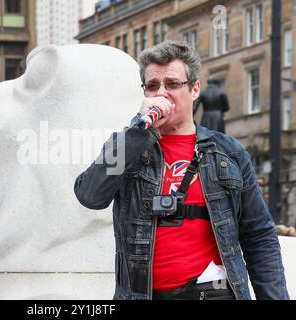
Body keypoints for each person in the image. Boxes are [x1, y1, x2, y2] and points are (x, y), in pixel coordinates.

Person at [74, 40, 289, 300]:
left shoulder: (228, 151)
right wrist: (138, 134)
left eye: (173, 84)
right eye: (153, 86)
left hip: (212, 293)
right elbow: (89, 195)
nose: (162, 93)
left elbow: (259, 237)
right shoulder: (127, 146)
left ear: (195, 89)